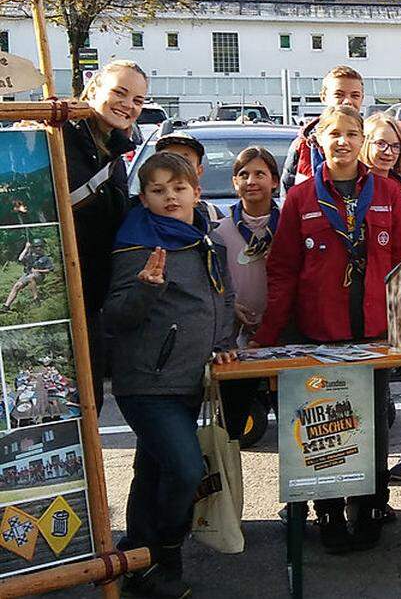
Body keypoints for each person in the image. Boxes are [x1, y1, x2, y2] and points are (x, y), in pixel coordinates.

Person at [253, 106, 401, 554]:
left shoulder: (386, 192)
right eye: (334, 134)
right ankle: (327, 512)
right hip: (319, 333)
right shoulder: (302, 198)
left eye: (350, 133)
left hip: (374, 332)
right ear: (320, 140)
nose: (342, 141)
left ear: (361, 138)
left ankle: (369, 504)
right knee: (327, 423)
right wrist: (267, 337)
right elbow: (283, 270)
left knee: (374, 425)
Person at [105, 152, 237, 598]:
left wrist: (222, 345)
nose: (170, 197)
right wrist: (145, 287)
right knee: (184, 470)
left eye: (178, 188)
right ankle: (166, 553)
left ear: (195, 192)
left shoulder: (202, 236)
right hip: (147, 381)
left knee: (153, 470)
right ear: (144, 199)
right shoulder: (136, 243)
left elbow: (220, 297)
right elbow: (115, 317)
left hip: (188, 378)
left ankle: (136, 559)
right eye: (158, 190)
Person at [65, 60, 146, 414]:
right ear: (92, 90)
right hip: (60, 298)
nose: (128, 105)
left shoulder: (114, 150)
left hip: (92, 302)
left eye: (138, 100)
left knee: (88, 405)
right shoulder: (61, 138)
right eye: (119, 92)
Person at [211, 147, 280, 440]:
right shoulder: (219, 230)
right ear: (234, 182)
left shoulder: (290, 223)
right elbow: (213, 281)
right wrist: (230, 305)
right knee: (231, 425)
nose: (251, 181)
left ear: (275, 181)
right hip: (236, 339)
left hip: (282, 333)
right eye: (243, 174)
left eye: (260, 174)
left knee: (297, 421)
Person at [280, 65, 365, 191]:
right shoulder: (303, 146)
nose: (347, 101)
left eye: (355, 95)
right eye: (339, 94)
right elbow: (288, 193)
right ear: (323, 97)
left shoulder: (375, 143)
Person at [154, 132, 224, 226]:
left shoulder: (212, 215)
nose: (176, 166)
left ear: (199, 171)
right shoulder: (137, 221)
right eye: (168, 160)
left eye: (185, 161)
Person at [362, 113, 401, 207]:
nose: (388, 152)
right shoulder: (354, 186)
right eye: (381, 144)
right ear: (364, 143)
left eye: (395, 146)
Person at [3, 239, 53, 311]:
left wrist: (37, 270)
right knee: (17, 286)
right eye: (36, 247)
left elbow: (49, 270)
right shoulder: (30, 256)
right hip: (27, 274)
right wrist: (26, 248)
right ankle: (6, 306)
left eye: (40, 247)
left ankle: (36, 298)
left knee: (31, 277)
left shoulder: (45, 258)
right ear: (33, 248)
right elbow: (20, 259)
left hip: (39, 276)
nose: (38, 248)